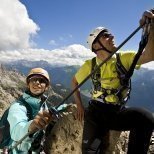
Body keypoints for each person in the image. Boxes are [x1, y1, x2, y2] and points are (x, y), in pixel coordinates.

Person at [72, 9, 154, 154]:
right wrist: (79, 105)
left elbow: (149, 55)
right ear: (96, 45)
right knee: (90, 151)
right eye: (106, 35)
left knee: (146, 119)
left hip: (115, 112)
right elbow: (74, 81)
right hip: (95, 112)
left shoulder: (124, 58)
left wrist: (151, 28)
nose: (112, 36)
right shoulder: (90, 65)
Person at [7, 68, 53, 153]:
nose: (37, 83)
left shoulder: (43, 105)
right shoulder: (17, 106)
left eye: (41, 81)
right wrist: (31, 126)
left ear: (46, 87)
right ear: (28, 84)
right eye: (34, 80)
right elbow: (17, 130)